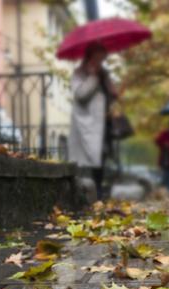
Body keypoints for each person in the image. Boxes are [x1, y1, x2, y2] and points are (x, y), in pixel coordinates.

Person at [68, 42, 117, 200]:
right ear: (91, 54)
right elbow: (80, 95)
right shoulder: (80, 73)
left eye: (103, 57)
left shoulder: (103, 74)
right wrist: (92, 77)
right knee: (87, 161)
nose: (101, 60)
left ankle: (99, 192)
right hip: (86, 125)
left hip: (103, 123)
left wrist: (108, 83)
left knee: (101, 158)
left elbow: (112, 95)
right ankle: (87, 194)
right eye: (99, 55)